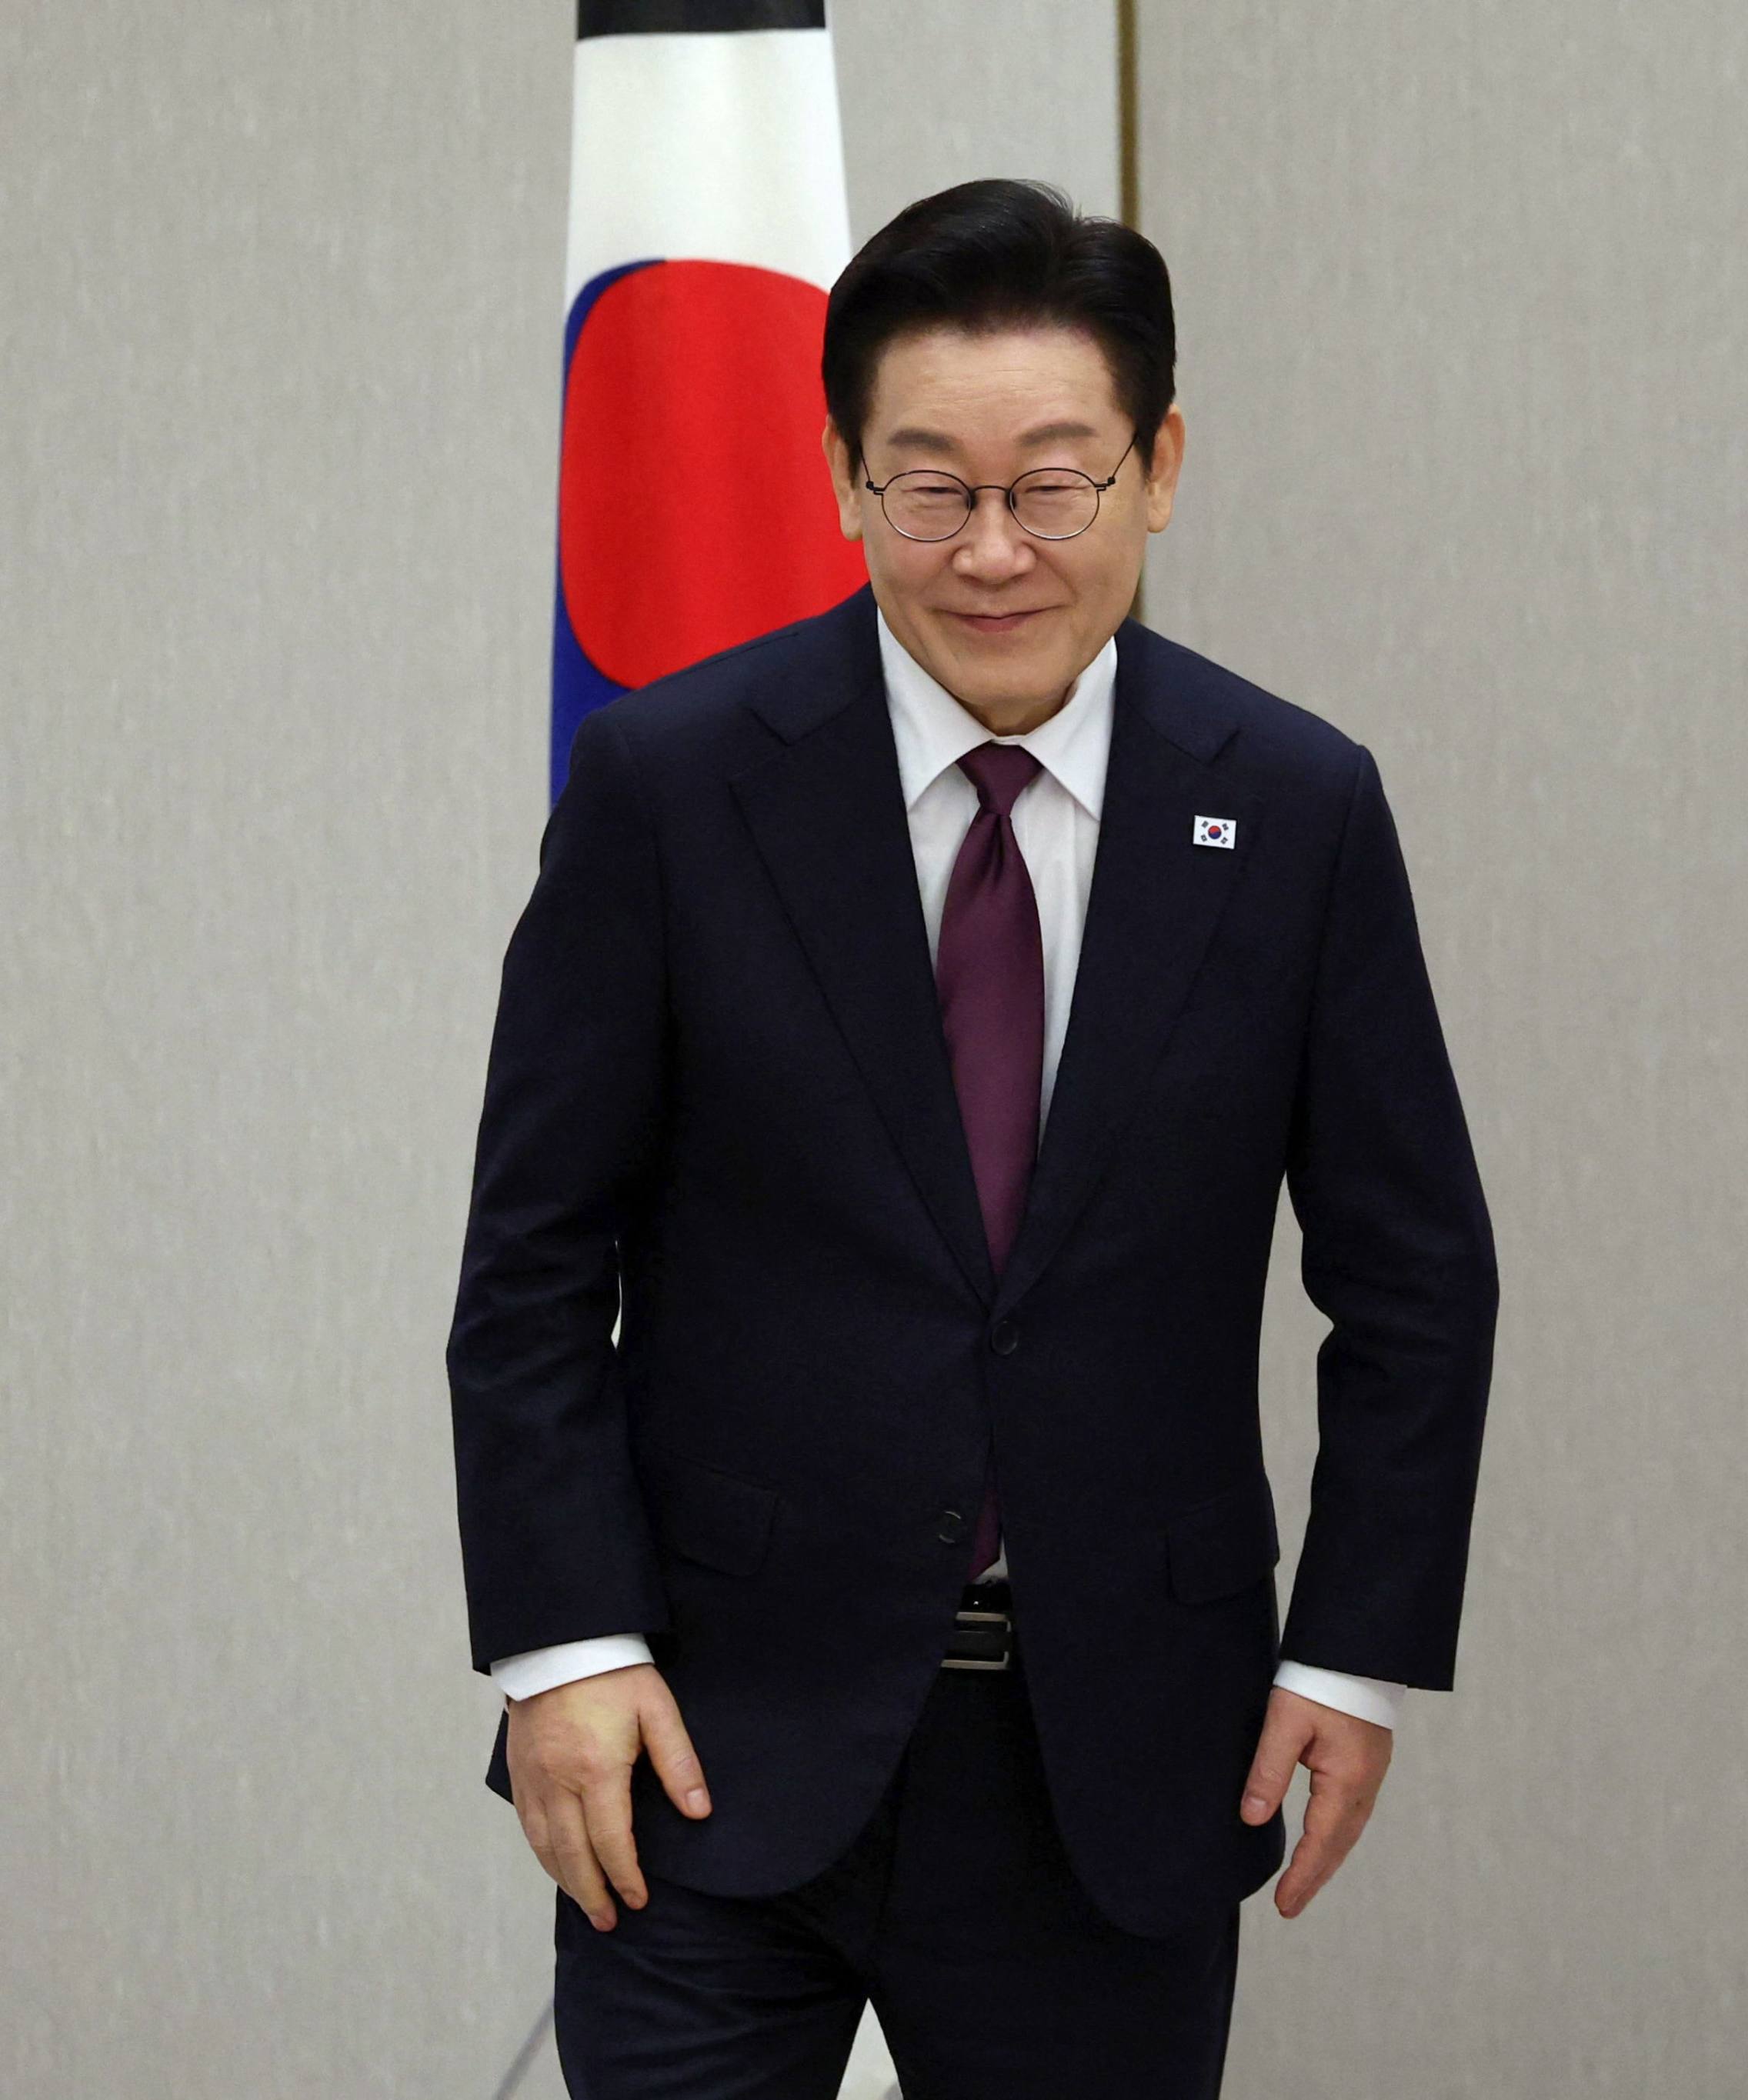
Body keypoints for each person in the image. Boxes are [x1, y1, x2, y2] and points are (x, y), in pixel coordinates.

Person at [449, 180, 1498, 2098]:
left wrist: (1350, 1655)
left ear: (1158, 466)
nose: (993, 550)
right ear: (844, 478)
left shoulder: (1291, 806)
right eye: (930, 486)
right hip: (705, 1738)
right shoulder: (673, 786)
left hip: (1119, 1751)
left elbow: (1416, 1282)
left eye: (1055, 484)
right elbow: (533, 1259)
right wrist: (561, 1648)